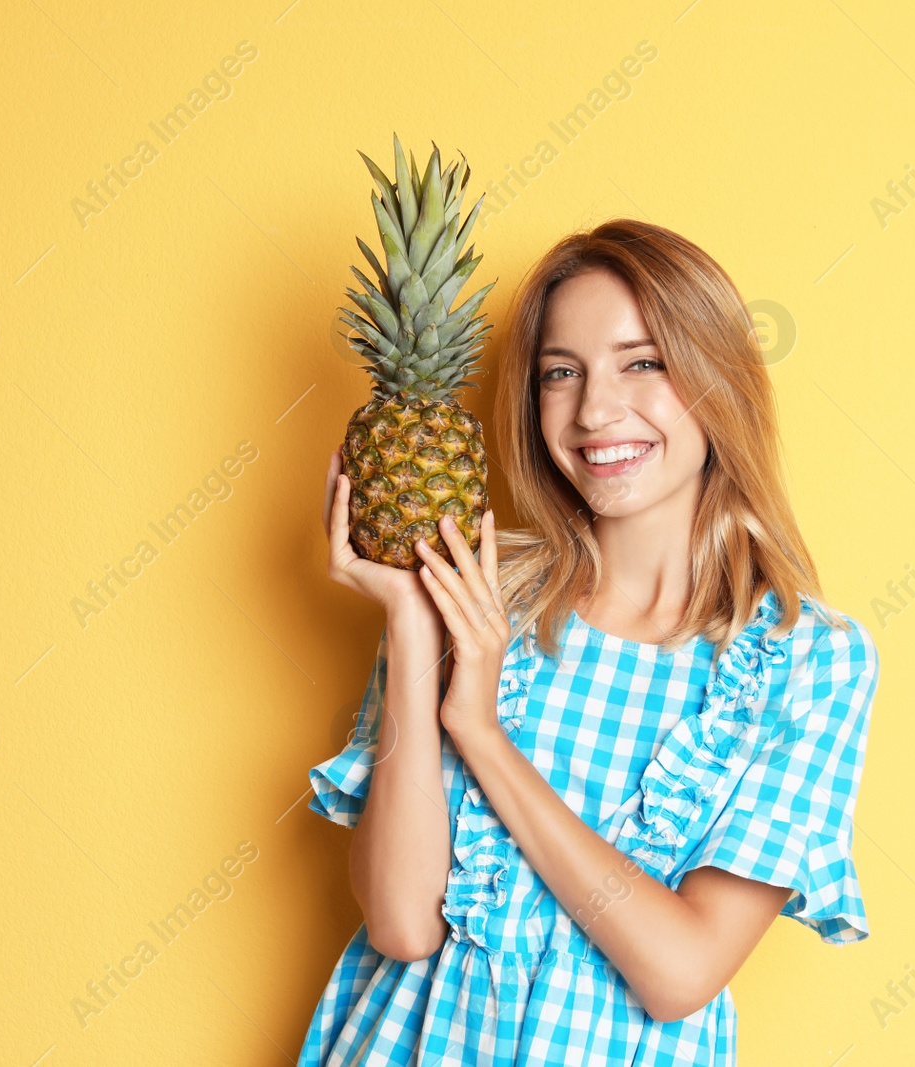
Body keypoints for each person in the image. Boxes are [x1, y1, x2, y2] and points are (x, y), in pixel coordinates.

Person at [299, 218, 880, 1065]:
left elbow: (679, 971)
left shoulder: (809, 661)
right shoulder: (469, 591)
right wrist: (411, 619)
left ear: (718, 375)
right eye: (559, 374)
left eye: (642, 362)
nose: (595, 410)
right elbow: (401, 922)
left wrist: (483, 735)